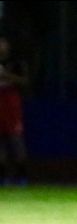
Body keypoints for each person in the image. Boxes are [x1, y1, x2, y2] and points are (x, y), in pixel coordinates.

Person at [0, 35, 28, 186]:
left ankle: (21, 176)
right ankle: (3, 177)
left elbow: (25, 81)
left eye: (2, 42)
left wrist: (6, 75)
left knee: (15, 139)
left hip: (11, 102)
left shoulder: (16, 62)